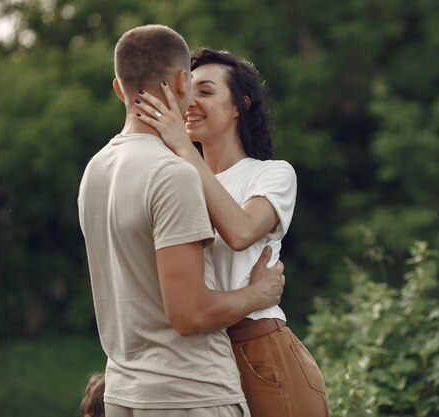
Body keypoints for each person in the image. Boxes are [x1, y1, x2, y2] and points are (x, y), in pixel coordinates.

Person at [77, 25, 285, 417]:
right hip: (189, 394)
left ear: (120, 90)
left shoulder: (96, 169)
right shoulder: (173, 174)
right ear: (180, 83)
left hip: (125, 391)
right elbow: (190, 314)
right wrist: (260, 294)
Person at [134, 48, 329, 417]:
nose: (190, 101)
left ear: (240, 105)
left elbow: (241, 232)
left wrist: (180, 145)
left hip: (258, 350)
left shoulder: (272, 174)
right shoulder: (176, 178)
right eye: (187, 92)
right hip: (197, 358)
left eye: (205, 91)